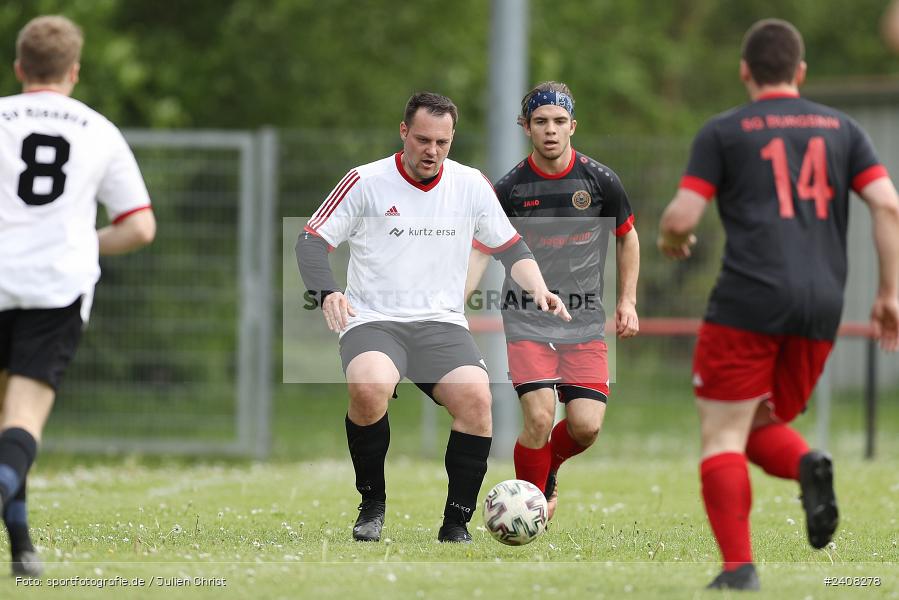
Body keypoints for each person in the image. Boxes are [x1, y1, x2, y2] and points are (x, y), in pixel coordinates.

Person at [658, 18, 899, 591]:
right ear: (801, 71)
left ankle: (739, 569)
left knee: (722, 434)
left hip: (749, 298)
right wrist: (890, 292)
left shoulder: (725, 131)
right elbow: (887, 205)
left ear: (745, 71)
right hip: (822, 306)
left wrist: (671, 237)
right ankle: (806, 465)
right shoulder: (843, 129)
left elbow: (683, 215)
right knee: (761, 422)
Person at [296, 92, 570, 543]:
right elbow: (311, 240)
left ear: (452, 139)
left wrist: (538, 287)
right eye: (423, 140)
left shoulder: (470, 184)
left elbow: (511, 247)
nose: (432, 151)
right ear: (404, 132)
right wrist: (328, 293)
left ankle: (455, 523)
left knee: (477, 401)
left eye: (442, 142)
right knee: (368, 386)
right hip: (374, 320)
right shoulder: (365, 181)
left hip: (441, 324)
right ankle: (372, 505)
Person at [0, 15, 156, 576]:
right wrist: (81, 242)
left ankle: (22, 547)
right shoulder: (98, 130)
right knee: (21, 421)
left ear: (19, 67)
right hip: (55, 286)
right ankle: (20, 541)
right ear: (73, 71)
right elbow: (139, 227)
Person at [466, 81, 640, 521]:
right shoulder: (509, 188)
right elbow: (482, 250)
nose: (550, 129)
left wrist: (628, 300)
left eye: (559, 121)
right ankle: (531, 506)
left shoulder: (601, 181)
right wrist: (456, 303)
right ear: (526, 127)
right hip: (526, 319)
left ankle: (551, 465)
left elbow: (628, 237)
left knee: (586, 427)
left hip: (584, 321)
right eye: (541, 121)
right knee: (540, 419)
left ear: (572, 126)